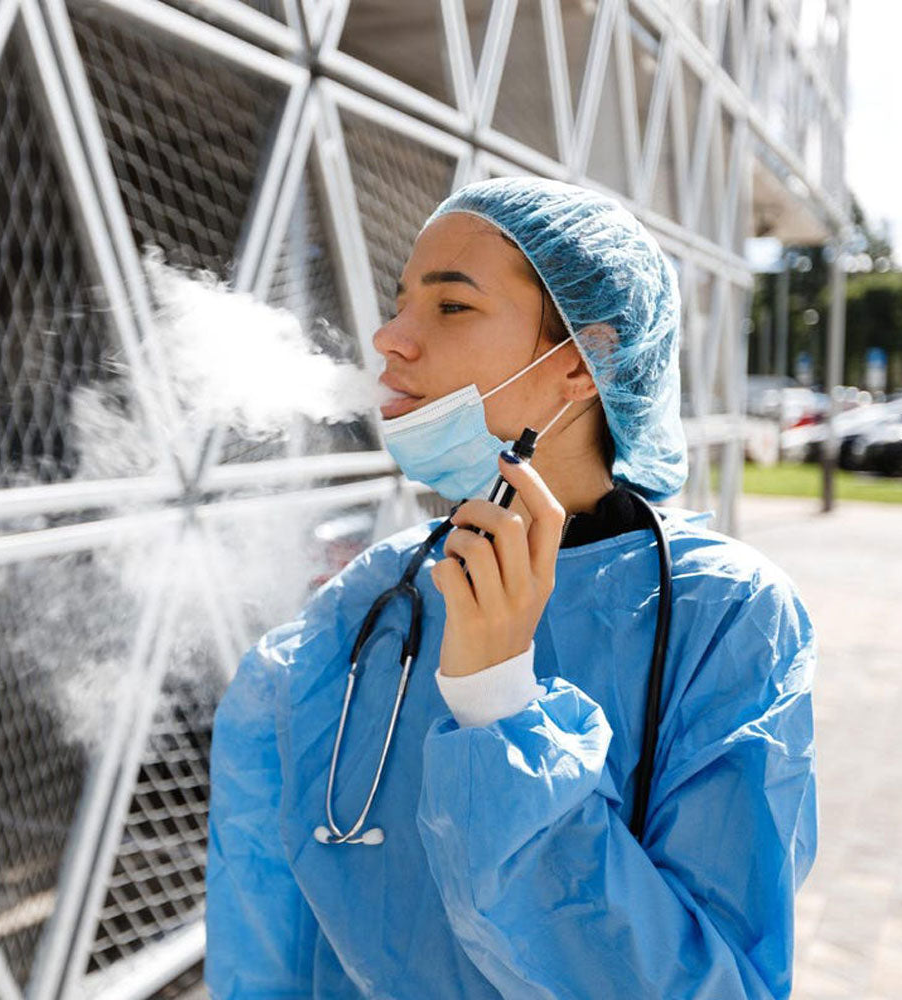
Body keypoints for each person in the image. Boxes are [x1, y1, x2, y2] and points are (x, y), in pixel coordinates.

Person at [204, 177, 818, 999]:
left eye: (451, 307)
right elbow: (261, 938)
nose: (390, 337)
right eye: (398, 303)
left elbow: (715, 984)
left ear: (579, 362)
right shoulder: (359, 607)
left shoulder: (729, 617)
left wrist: (500, 703)